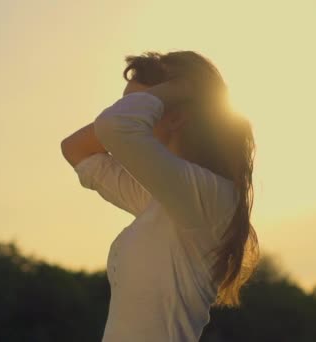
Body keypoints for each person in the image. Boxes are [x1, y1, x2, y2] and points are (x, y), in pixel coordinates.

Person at [60, 50, 259, 341]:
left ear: (176, 117)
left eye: (139, 103)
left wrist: (186, 88)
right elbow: (76, 149)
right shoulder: (166, 199)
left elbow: (115, 126)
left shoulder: (206, 197)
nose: (128, 108)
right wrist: (179, 91)